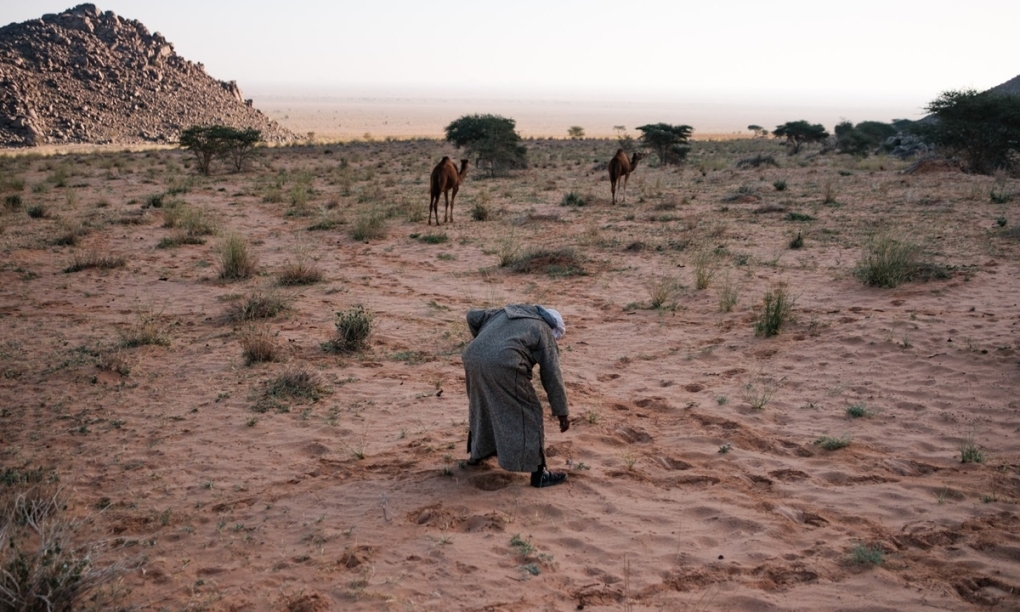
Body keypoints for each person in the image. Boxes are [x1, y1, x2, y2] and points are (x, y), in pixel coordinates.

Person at [462, 304, 570, 488]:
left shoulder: (505, 312)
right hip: (505, 364)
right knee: (530, 414)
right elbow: (552, 375)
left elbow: (472, 316)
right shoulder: (543, 329)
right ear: (554, 329)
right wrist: (562, 412)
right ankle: (539, 475)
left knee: (483, 406)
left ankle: (478, 455)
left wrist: (485, 342)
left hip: (473, 358)